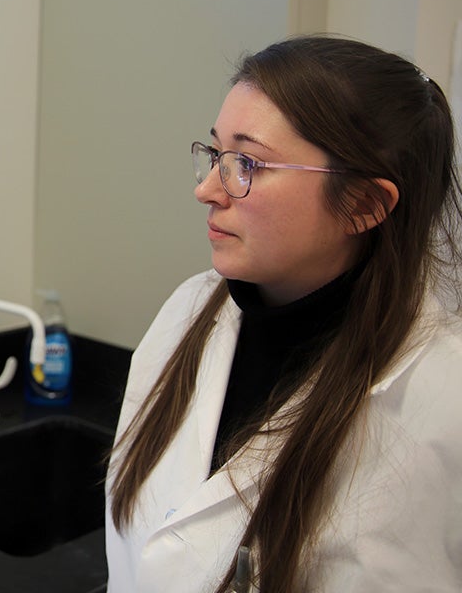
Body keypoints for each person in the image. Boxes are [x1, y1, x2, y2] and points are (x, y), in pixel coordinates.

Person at [105, 36, 462, 592]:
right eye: (215, 153)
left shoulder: (443, 398)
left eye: (246, 163)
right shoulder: (188, 311)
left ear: (364, 204)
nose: (206, 189)